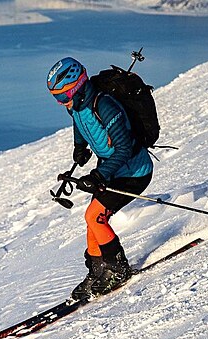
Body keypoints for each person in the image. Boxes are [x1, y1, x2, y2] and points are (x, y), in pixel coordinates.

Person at [46, 57, 154, 300]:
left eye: (62, 96)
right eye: (56, 97)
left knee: (94, 216)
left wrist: (98, 176)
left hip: (133, 172)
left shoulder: (105, 106)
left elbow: (124, 150)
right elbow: (79, 123)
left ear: (76, 87)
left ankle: (117, 269)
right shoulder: (76, 105)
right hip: (112, 169)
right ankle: (97, 270)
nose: (60, 103)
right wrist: (80, 148)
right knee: (93, 219)